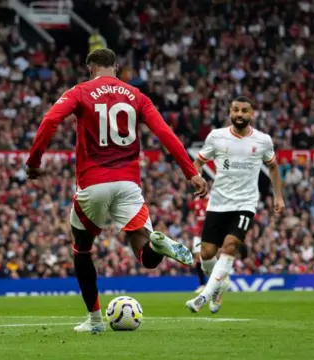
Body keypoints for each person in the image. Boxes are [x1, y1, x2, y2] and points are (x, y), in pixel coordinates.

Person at [25, 48, 208, 333]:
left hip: (93, 183)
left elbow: (50, 121)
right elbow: (165, 133)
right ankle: (157, 242)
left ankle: (96, 320)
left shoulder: (80, 91)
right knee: (146, 256)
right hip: (128, 184)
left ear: (90, 69)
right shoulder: (137, 95)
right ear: (117, 67)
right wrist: (191, 172)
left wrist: (34, 162)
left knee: (82, 249)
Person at [185, 96, 285, 313]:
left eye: (244, 110)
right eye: (236, 110)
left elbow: (274, 167)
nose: (240, 114)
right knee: (207, 254)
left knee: (230, 246)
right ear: (230, 112)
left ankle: (203, 296)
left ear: (252, 114)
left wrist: (278, 196)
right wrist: (197, 177)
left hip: (245, 203)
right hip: (218, 202)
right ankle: (220, 285)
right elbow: (198, 162)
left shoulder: (262, 140)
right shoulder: (217, 137)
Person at [190, 194, 209, 293]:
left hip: (208, 232)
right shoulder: (195, 201)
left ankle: (215, 283)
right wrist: (193, 226)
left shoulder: (210, 199)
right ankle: (202, 284)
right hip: (198, 233)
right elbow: (192, 214)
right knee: (197, 258)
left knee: (209, 257)